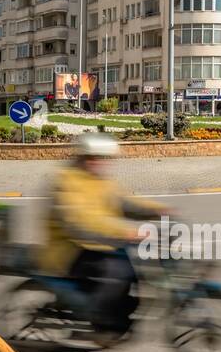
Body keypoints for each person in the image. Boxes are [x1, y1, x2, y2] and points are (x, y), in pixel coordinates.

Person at [38, 133, 168, 333]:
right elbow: (78, 221)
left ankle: (119, 311)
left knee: (136, 270)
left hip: (96, 243)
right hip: (68, 249)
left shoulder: (100, 180)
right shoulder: (66, 181)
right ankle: (100, 320)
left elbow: (124, 203)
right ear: (85, 157)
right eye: (96, 158)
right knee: (117, 271)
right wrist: (125, 232)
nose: (101, 163)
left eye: (104, 159)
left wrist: (157, 210)